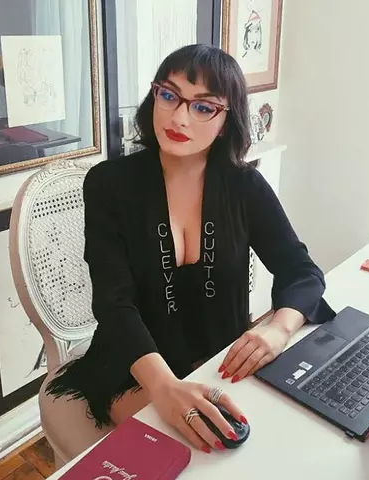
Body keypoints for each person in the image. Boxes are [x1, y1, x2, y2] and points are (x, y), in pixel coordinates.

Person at [46, 44, 335, 454]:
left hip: (220, 358)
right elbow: (113, 303)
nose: (179, 118)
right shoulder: (109, 184)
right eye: (169, 95)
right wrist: (164, 387)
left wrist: (277, 330)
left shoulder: (244, 186)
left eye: (203, 107)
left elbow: (301, 271)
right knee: (197, 455)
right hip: (135, 365)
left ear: (227, 120)